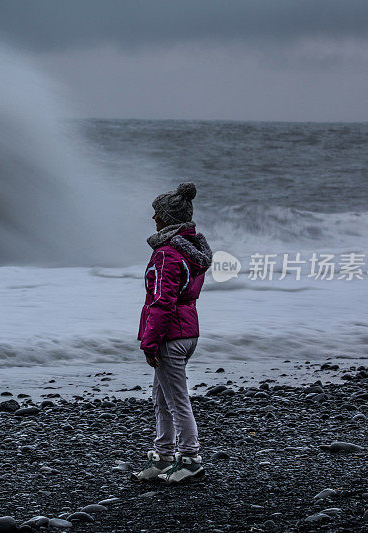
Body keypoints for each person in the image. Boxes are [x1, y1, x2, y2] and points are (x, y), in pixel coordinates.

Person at [131, 182, 212, 484]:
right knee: (161, 396)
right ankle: (164, 455)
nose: (154, 219)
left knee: (176, 400)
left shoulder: (167, 254)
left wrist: (150, 341)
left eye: (157, 213)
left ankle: (190, 459)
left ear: (168, 218)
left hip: (170, 336)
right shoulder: (192, 253)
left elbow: (162, 301)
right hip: (188, 331)